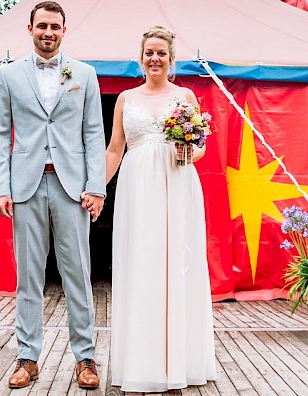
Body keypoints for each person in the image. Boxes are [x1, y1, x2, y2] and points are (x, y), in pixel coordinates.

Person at [0, 0, 107, 390]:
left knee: (78, 273)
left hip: (72, 187)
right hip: (25, 186)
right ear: (29, 29)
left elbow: (94, 134)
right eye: (42, 26)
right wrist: (0, 188)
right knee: (29, 276)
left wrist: (96, 187)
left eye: (55, 26)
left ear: (64, 30)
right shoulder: (8, 76)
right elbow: (0, 135)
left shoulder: (85, 74)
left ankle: (85, 357)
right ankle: (28, 357)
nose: (48, 32)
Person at [105, 26, 216, 392]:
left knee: (176, 265)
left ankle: (180, 362)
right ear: (141, 58)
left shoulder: (185, 95)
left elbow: (199, 148)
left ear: (171, 59)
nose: (155, 58)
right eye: (149, 53)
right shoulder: (125, 98)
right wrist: (96, 190)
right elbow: (114, 151)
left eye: (161, 53)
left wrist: (189, 152)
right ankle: (142, 361)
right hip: (137, 187)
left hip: (177, 182)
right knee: (142, 263)